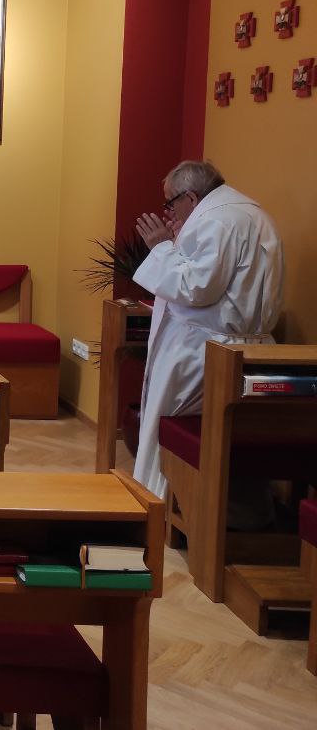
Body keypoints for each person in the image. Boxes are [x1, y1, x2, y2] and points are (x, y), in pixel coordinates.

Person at [131, 160, 284, 503]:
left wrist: (161, 247)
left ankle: (164, 508)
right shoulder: (249, 212)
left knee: (170, 426)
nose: (169, 212)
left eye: (170, 203)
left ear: (191, 197)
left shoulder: (218, 220)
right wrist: (177, 244)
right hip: (243, 346)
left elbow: (196, 287)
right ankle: (239, 511)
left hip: (205, 350)